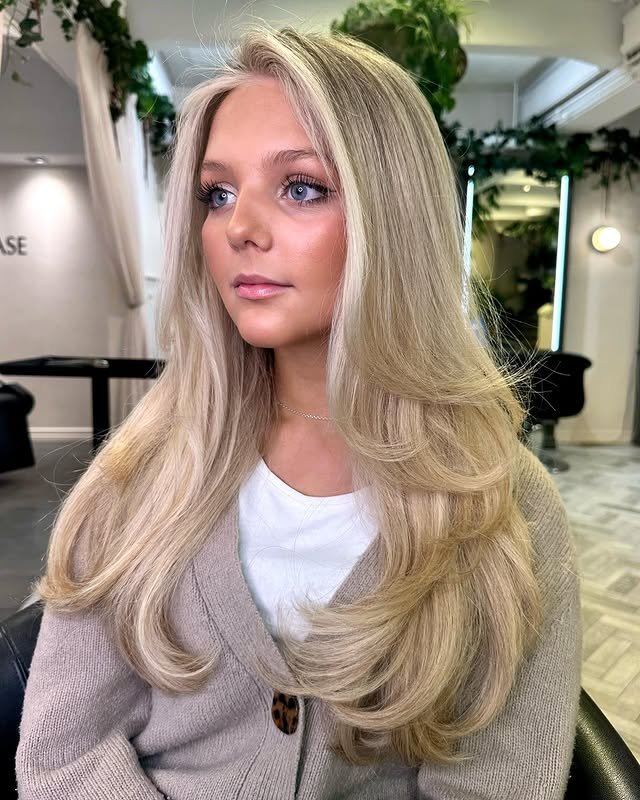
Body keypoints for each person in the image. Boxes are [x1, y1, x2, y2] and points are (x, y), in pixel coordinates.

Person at [15, 23, 581, 800]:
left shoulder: (503, 506)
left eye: (301, 187)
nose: (238, 229)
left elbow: (499, 782)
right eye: (217, 194)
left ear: (392, 217)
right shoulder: (140, 475)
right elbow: (64, 752)